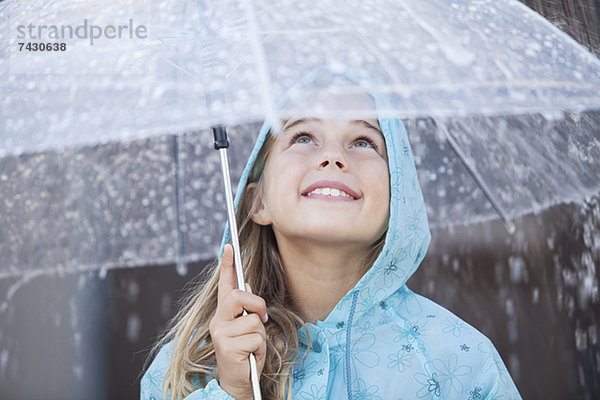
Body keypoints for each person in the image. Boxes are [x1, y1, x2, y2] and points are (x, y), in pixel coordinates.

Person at [141, 85, 522, 399]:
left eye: (363, 142)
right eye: (303, 136)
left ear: (399, 201)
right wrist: (235, 390)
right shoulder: (186, 369)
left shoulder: (458, 361)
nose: (333, 157)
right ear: (259, 202)